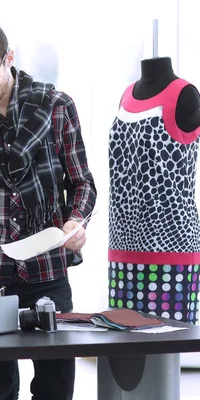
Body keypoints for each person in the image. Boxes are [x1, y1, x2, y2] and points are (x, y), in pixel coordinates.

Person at [0, 20, 97, 400]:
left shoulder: (57, 107)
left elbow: (82, 184)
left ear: (9, 57)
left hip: (49, 269)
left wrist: (75, 222)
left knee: (56, 387)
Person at [108, 56, 200, 323]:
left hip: (172, 245)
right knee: (124, 351)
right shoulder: (126, 96)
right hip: (121, 245)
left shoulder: (184, 93)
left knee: (168, 346)